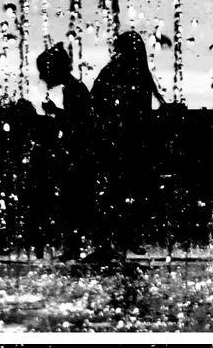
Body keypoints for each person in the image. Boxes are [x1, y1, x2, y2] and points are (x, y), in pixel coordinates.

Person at [91, 29, 166, 258]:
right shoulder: (140, 75)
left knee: (114, 193)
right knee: (126, 194)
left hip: (117, 143)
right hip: (131, 144)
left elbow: (94, 101)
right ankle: (124, 239)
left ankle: (112, 242)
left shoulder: (115, 72)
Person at [35, 42, 93, 259]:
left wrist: (54, 114)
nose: (42, 77)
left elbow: (79, 124)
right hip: (78, 155)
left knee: (73, 202)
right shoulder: (74, 88)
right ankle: (73, 248)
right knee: (72, 203)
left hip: (80, 157)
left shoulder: (74, 90)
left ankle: (74, 249)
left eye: (44, 71)